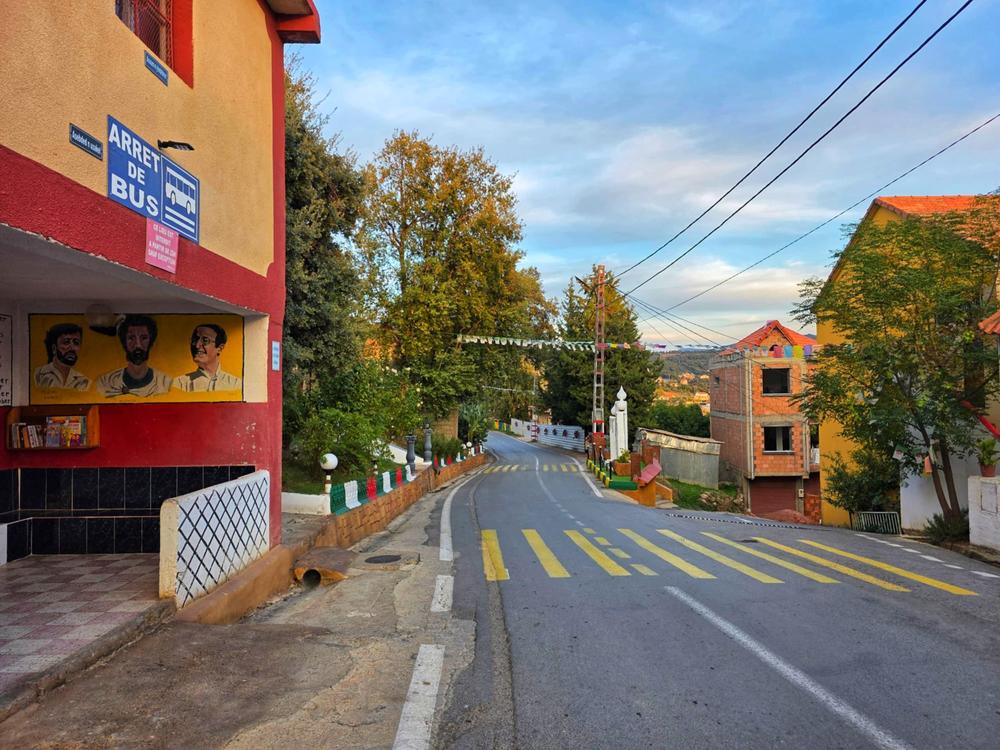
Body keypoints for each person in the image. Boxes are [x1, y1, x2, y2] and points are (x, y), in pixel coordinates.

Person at [96, 314, 172, 397]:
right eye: (131, 338)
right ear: (124, 342)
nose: (137, 345)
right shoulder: (107, 383)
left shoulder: (165, 383)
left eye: (143, 338)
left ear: (151, 342)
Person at [173, 323, 242, 393]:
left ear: (220, 348)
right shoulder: (179, 384)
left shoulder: (236, 384)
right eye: (194, 340)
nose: (197, 345)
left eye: (205, 340)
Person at [34, 323, 91, 391]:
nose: (72, 348)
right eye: (66, 342)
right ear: (54, 348)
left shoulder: (83, 381)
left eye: (76, 343)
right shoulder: (38, 375)